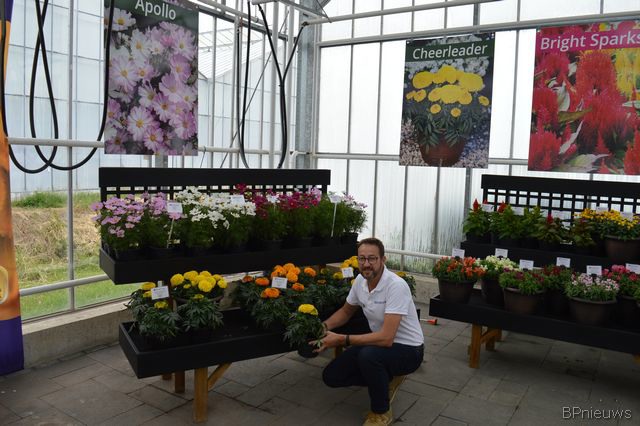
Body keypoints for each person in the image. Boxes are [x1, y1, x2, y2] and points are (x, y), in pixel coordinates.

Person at [316, 237, 424, 426]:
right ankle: (385, 378)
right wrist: (322, 327)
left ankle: (381, 412)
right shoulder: (360, 281)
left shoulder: (396, 286)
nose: (366, 264)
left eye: (372, 258)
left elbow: (387, 338)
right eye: (362, 258)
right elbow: (346, 312)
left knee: (368, 357)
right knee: (332, 376)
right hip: (378, 344)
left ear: (383, 260)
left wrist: (342, 339)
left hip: (408, 350)